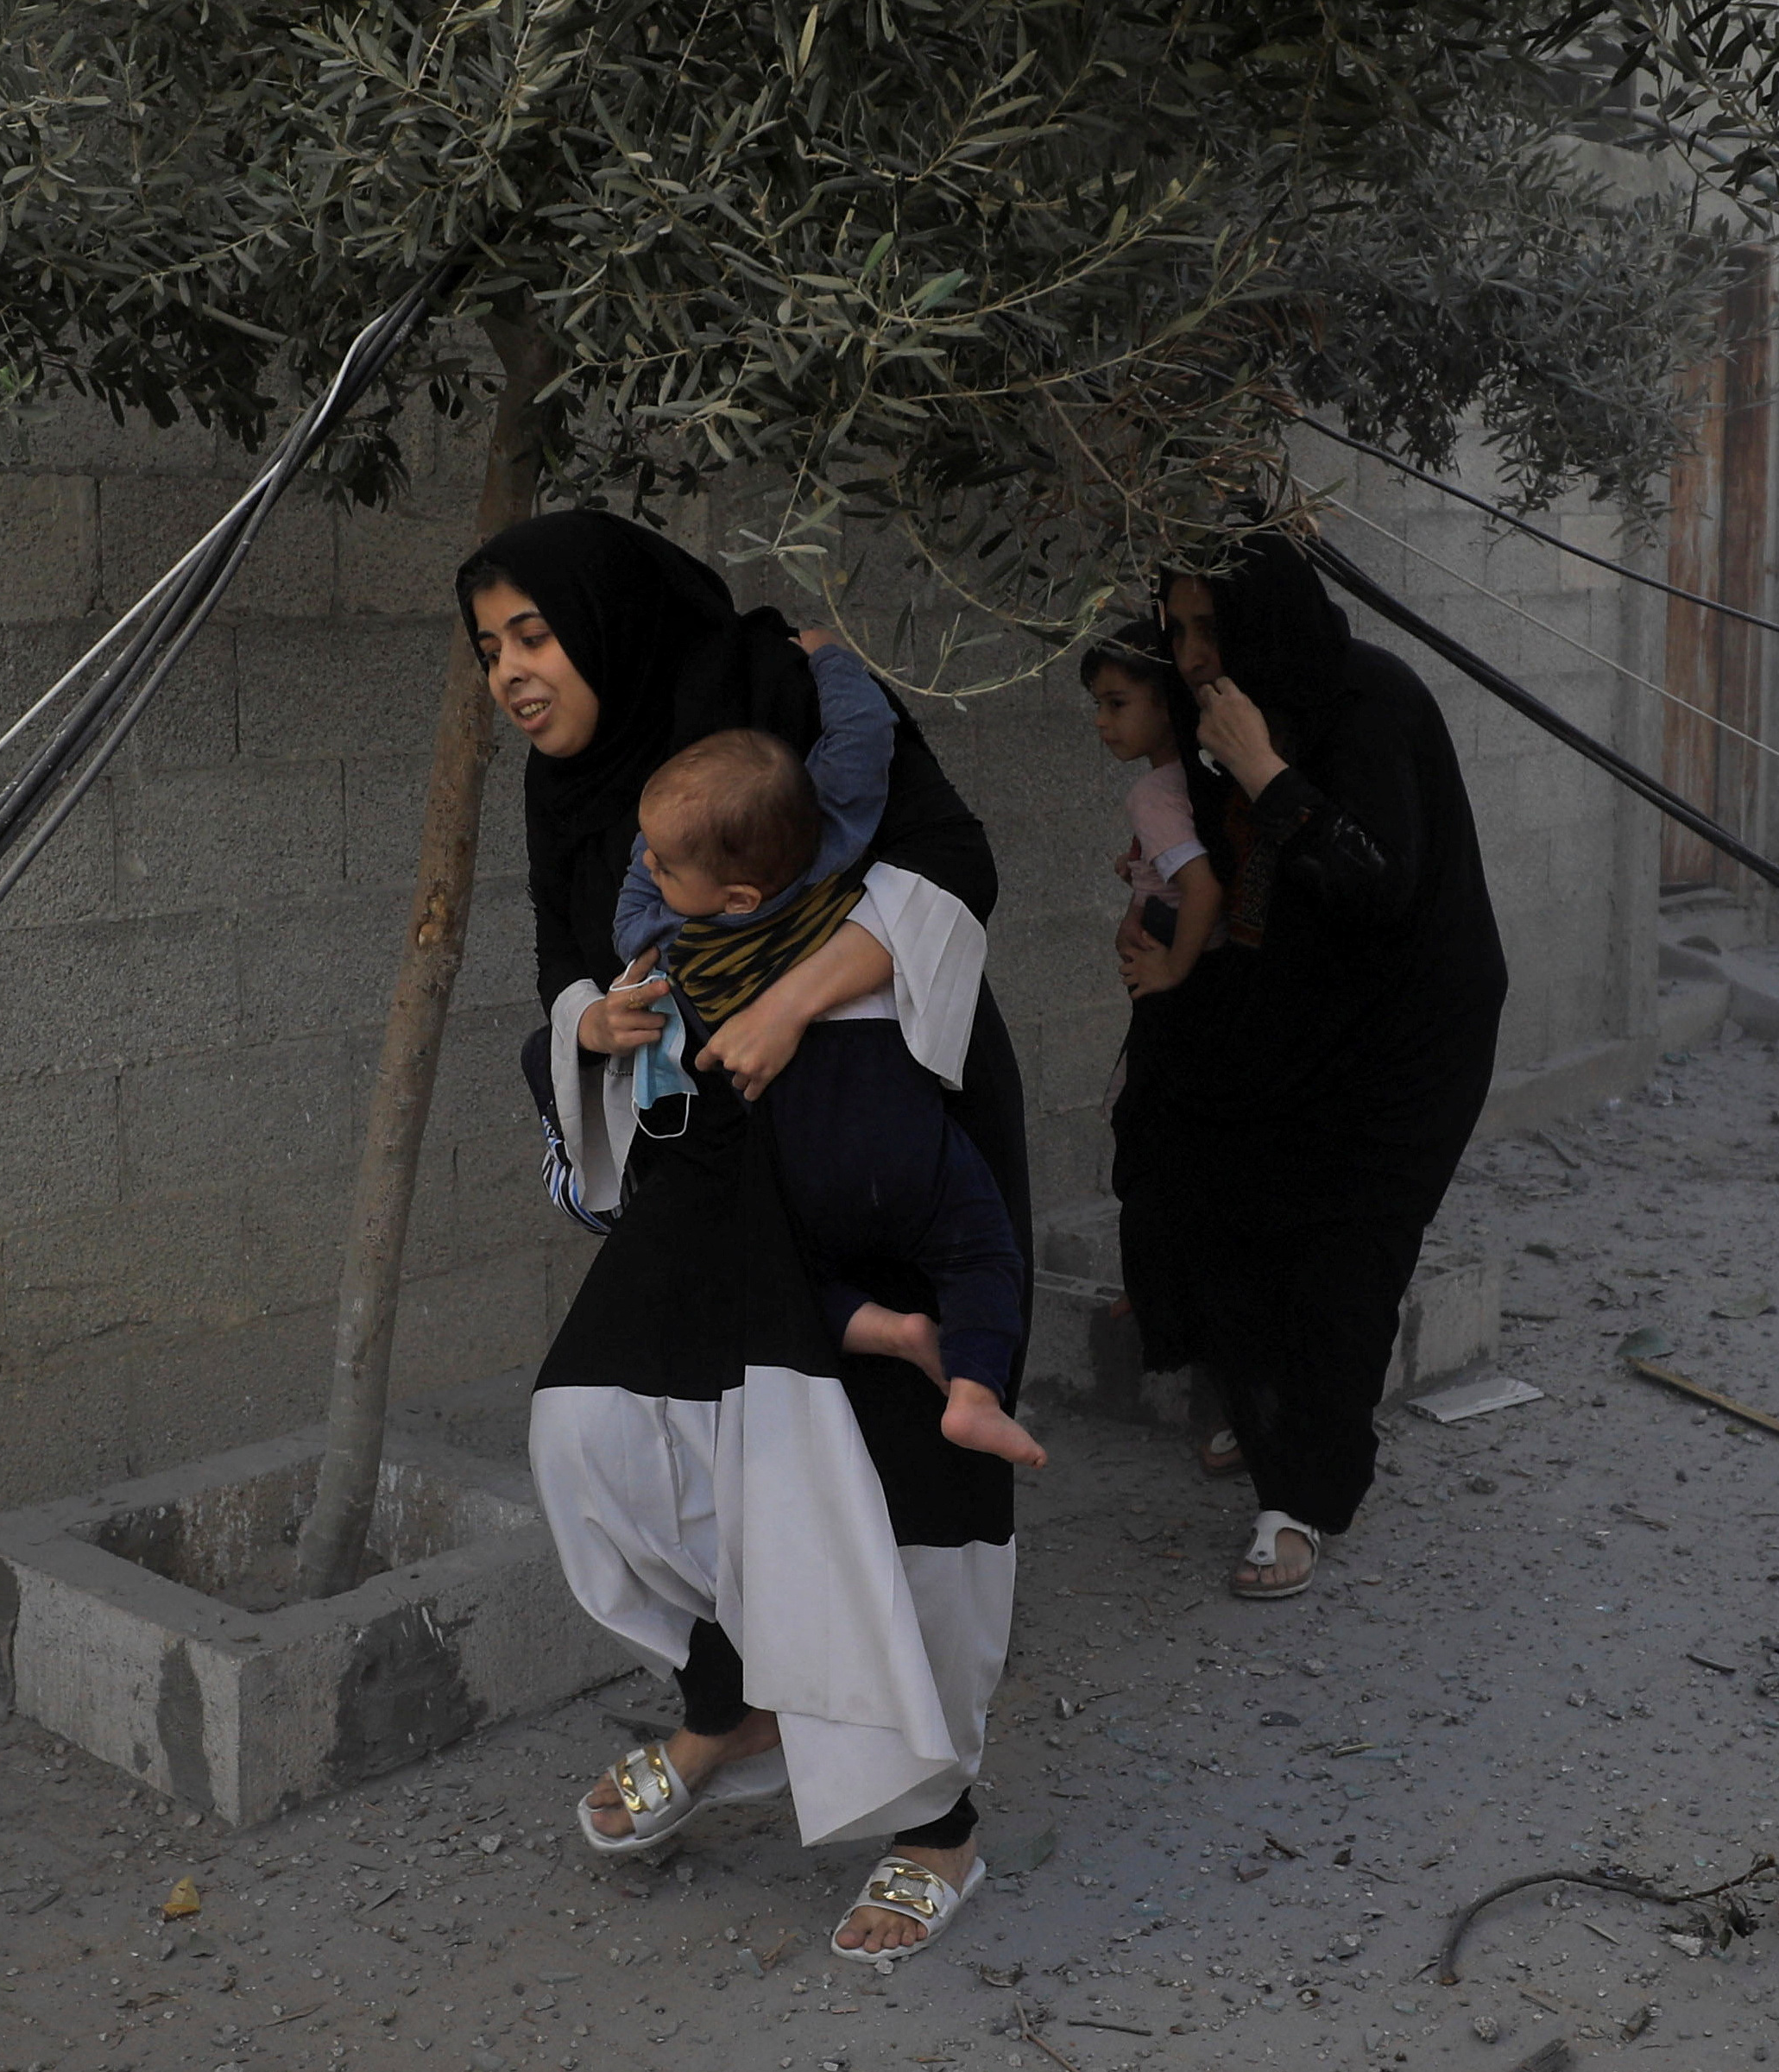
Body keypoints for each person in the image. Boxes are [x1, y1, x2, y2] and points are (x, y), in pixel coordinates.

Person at [462, 509, 1030, 1968]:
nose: (510, 673)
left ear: (603, 616)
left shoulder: (775, 681)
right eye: (487, 650)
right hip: (710, 1158)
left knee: (896, 1473)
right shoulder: (563, 784)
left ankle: (934, 1824)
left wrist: (784, 1004)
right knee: (611, 1425)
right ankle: (747, 1703)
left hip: (877, 1121)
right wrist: (591, 1022)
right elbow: (559, 974)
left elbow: (948, 866)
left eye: (531, 634)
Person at [1136, 532, 1507, 1600]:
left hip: (1411, 1038)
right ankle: (1264, 1417)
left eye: (1214, 628)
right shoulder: (1215, 715)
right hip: (1301, 1011)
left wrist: (1264, 768)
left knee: (1347, 1258)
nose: (1195, 654)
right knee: (1213, 1188)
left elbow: (1379, 888)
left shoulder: (1369, 705)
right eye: (1179, 629)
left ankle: (1297, 1496)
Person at [628, 724, 1044, 1469]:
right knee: (985, 1253)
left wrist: (647, 872)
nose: (649, 866)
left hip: (800, 1163)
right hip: (904, 1141)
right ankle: (975, 1395)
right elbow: (859, 753)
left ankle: (889, 1330)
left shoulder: (687, 953)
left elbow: (631, 917)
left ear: (734, 896)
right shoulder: (842, 883)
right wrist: (831, 657)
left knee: (768, 1280)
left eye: (663, 862)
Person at [1085, 624, 1223, 1393]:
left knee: (1143, 1140)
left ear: (1167, 704)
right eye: (1096, 705)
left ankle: (1164, 1297)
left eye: (1117, 702)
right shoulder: (1198, 779)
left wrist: (1168, 964)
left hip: (1178, 992)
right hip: (1195, 987)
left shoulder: (1154, 791)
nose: (1103, 721)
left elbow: (1199, 887)